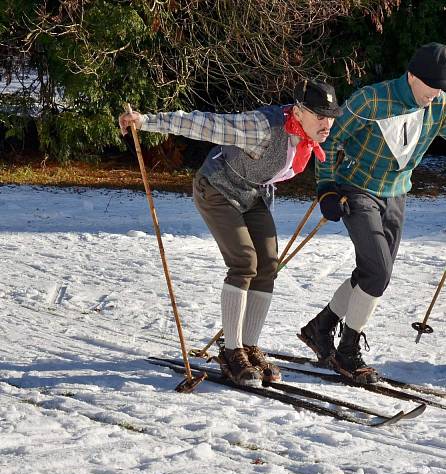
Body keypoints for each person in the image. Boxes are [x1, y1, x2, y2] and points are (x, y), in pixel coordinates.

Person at [298, 43, 446, 384]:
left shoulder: (440, 106)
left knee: (370, 273)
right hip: (357, 189)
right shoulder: (372, 100)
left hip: (396, 195)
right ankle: (347, 353)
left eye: (441, 87)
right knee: (379, 273)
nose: (435, 93)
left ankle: (320, 326)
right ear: (412, 76)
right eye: (431, 85)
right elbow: (327, 139)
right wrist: (326, 186)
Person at [119, 80, 343, 387]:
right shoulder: (261, 127)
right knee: (244, 261)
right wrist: (146, 122)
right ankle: (232, 350)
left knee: (268, 265)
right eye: (320, 115)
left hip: (251, 194)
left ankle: (249, 346)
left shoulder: (311, 134)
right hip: (217, 188)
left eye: (331, 116)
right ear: (300, 111)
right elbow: (206, 124)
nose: (327, 123)